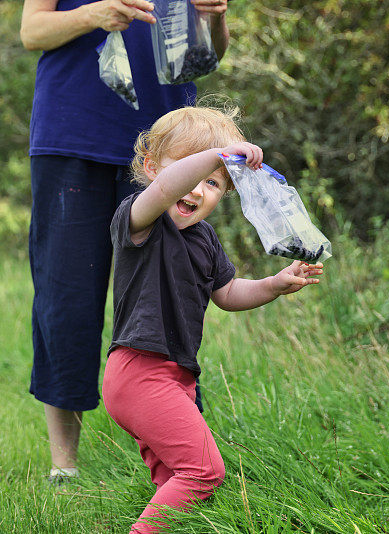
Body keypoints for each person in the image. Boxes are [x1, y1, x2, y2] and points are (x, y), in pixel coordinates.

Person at [19, 0, 231, 482]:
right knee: (66, 296)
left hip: (170, 146)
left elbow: (207, 57)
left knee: (169, 293)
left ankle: (182, 458)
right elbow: (33, 31)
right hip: (71, 136)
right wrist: (94, 15)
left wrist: (215, 18)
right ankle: (64, 467)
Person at [102, 106, 324, 533]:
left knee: (176, 481)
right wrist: (219, 155)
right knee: (204, 471)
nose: (198, 188)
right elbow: (170, 187)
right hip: (139, 371)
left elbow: (227, 294)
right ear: (151, 167)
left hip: (176, 375)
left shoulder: (205, 240)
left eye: (214, 183)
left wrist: (274, 284)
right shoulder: (138, 220)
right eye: (192, 172)